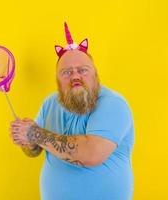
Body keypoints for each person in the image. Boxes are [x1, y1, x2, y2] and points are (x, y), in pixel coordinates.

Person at [10, 22, 134, 200]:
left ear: (95, 74)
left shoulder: (114, 104)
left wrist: (34, 134)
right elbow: (34, 150)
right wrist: (25, 140)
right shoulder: (50, 103)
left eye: (82, 70)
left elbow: (92, 153)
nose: (75, 76)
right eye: (66, 72)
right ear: (58, 80)